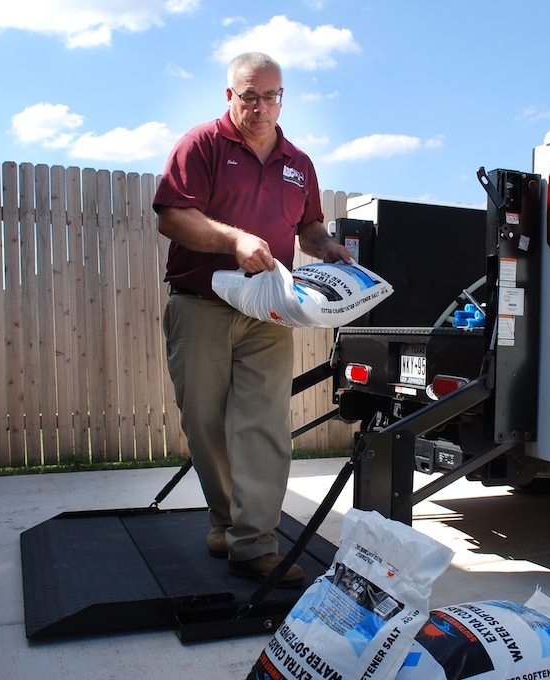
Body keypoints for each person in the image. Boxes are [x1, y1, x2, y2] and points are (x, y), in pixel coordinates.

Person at [153, 51, 351, 588]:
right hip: (200, 306)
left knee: (264, 426)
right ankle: (225, 521)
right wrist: (233, 239)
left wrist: (325, 245)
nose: (261, 107)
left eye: (272, 96)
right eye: (250, 96)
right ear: (229, 96)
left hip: (268, 311)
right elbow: (172, 214)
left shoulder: (299, 163)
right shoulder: (202, 145)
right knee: (205, 423)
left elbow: (307, 227)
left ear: (282, 96)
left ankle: (254, 543)